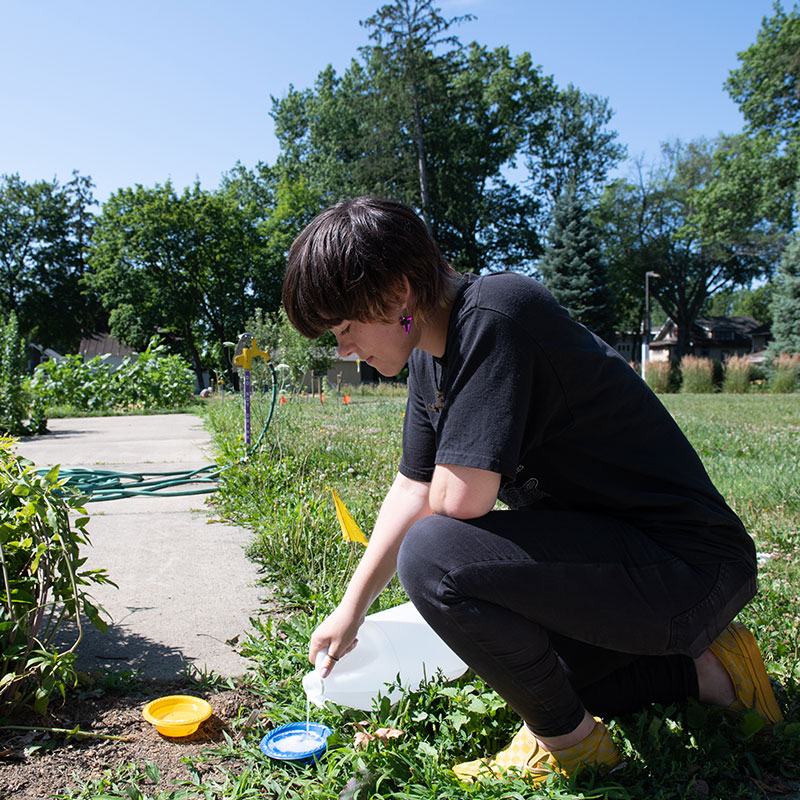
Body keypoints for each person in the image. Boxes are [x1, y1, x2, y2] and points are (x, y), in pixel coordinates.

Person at [281, 196, 783, 783]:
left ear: (397, 294)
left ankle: (571, 747)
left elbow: (456, 501)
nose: (344, 349)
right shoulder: (428, 357)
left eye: (344, 327)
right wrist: (351, 609)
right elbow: (412, 486)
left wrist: (439, 501)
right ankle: (712, 669)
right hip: (617, 563)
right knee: (528, 670)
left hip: (687, 565)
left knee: (435, 556)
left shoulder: (497, 313)